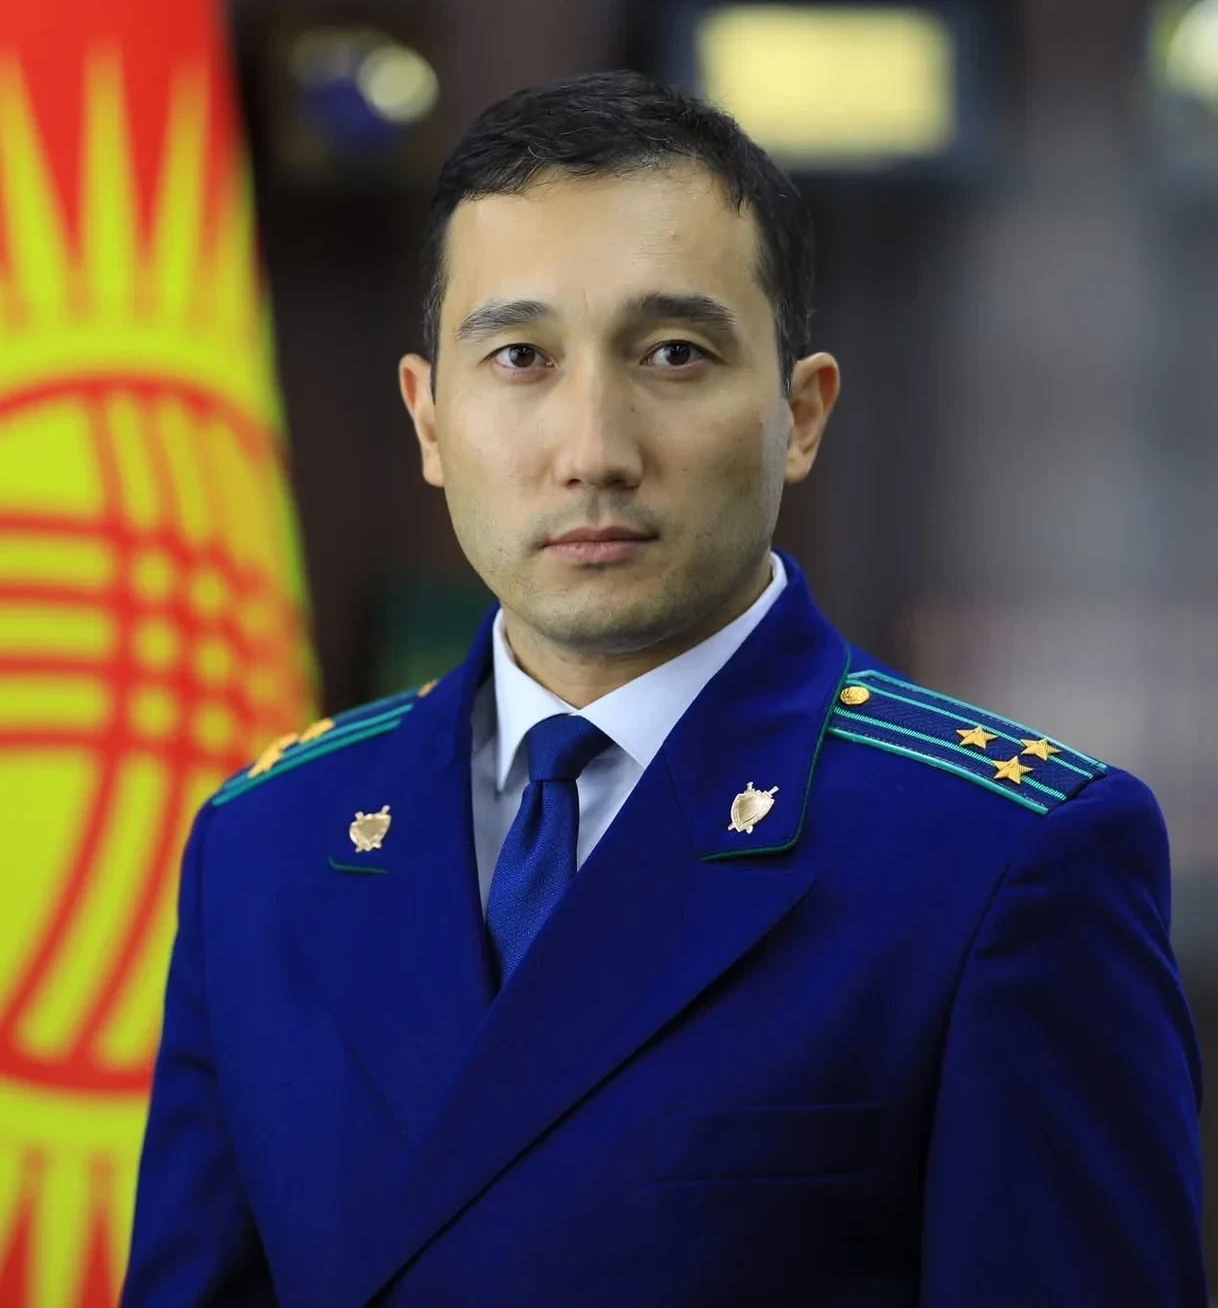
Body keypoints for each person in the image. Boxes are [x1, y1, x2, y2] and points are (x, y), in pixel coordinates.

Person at [124, 70, 1206, 1307]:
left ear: (801, 414)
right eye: (520, 357)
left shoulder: (1001, 861)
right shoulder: (267, 843)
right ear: (428, 419)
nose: (593, 451)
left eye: (674, 355)